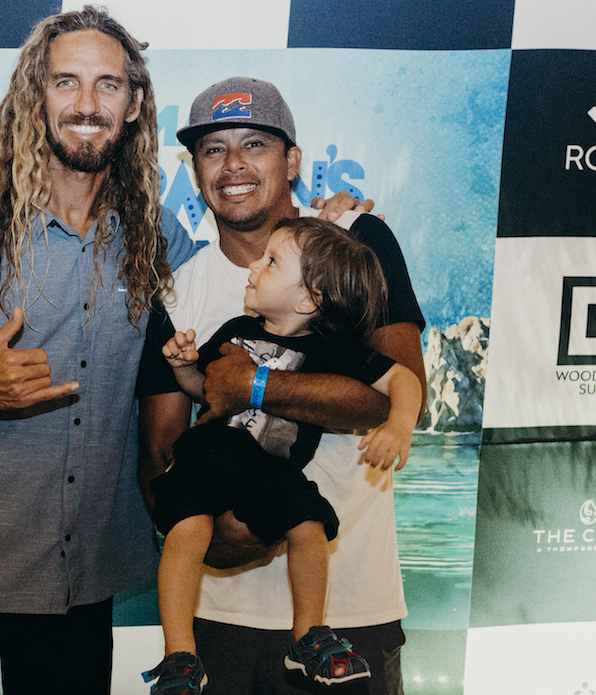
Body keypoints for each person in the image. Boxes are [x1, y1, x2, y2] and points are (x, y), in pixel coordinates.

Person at [0, 8, 195, 693]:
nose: (86, 104)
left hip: (75, 594)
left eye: (108, 85)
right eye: (66, 82)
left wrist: (329, 226)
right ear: (36, 96)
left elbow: (249, 276)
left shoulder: (159, 240)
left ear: (134, 104)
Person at [138, 77, 426, 695]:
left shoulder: (358, 246)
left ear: (293, 161)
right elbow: (160, 455)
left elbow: (390, 400)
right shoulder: (174, 290)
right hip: (216, 623)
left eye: (255, 144)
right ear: (194, 172)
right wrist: (210, 538)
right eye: (213, 149)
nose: (233, 164)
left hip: (351, 617)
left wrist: (256, 386)